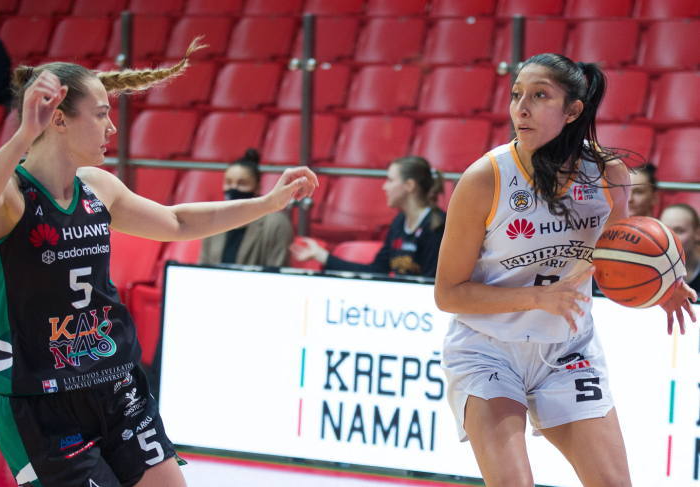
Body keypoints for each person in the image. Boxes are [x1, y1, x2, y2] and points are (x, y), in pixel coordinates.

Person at [0, 39, 317, 487]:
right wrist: (21, 135)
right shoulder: (11, 198)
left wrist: (267, 204)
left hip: (116, 385)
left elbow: (176, 221)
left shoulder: (97, 186)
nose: (111, 127)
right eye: (101, 114)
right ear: (58, 120)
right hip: (40, 403)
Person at [434, 53, 696, 487]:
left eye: (539, 96)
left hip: (569, 350)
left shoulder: (608, 174)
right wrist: (537, 298)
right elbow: (448, 293)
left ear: (573, 110)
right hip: (488, 349)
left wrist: (662, 283)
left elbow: (619, 257)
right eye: (516, 95)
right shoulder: (485, 178)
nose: (521, 108)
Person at [290, 156, 446, 278]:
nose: (384, 186)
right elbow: (376, 271)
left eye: (390, 180)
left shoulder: (436, 226)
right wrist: (321, 255)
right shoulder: (399, 223)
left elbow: (431, 284)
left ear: (409, 186)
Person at [198, 149, 293, 267]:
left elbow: (276, 271)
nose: (233, 188)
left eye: (242, 184)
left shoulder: (276, 224)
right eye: (228, 183)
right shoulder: (214, 221)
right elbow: (202, 267)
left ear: (258, 187)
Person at [661, 203, 700, 294]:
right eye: (665, 230)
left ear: (697, 234)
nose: (670, 237)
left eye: (679, 230)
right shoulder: (649, 273)